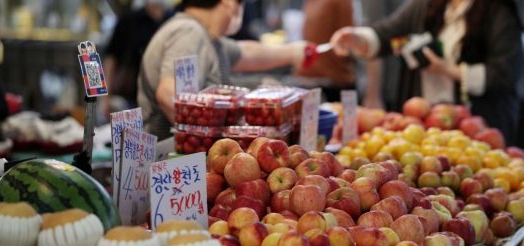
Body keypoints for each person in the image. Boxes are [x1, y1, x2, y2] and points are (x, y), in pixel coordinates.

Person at [330, 0, 524, 145]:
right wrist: (358, 38)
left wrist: (449, 70)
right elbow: (390, 32)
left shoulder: (500, 10)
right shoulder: (427, 5)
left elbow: (506, 73)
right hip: (426, 128)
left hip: (480, 126)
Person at [138, 0, 307, 140]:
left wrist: (295, 52)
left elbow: (247, 52)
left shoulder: (208, 38)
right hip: (170, 159)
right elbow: (169, 95)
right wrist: (214, 140)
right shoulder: (188, 33)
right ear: (229, 3)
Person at [103, 0, 175, 117]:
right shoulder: (129, 19)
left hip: (166, 94)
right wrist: (105, 97)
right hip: (132, 95)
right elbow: (112, 57)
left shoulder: (173, 19)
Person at [295, 0, 356, 102]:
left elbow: (349, 42)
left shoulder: (341, 2)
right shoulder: (310, 3)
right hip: (307, 80)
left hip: (332, 84)